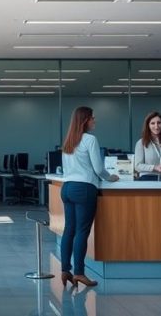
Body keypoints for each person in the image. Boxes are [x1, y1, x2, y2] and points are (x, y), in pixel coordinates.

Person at [59, 106, 119, 289]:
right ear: (85, 121)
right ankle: (79, 272)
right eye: (93, 118)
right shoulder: (90, 140)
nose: (95, 121)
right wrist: (111, 177)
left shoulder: (68, 141)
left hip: (67, 188)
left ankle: (65, 270)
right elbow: (99, 169)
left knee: (69, 229)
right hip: (84, 189)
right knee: (82, 231)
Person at [134, 111, 161, 179]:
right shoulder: (141, 143)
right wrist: (155, 167)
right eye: (152, 123)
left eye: (159, 123)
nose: (156, 126)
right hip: (147, 181)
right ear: (148, 126)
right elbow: (137, 166)